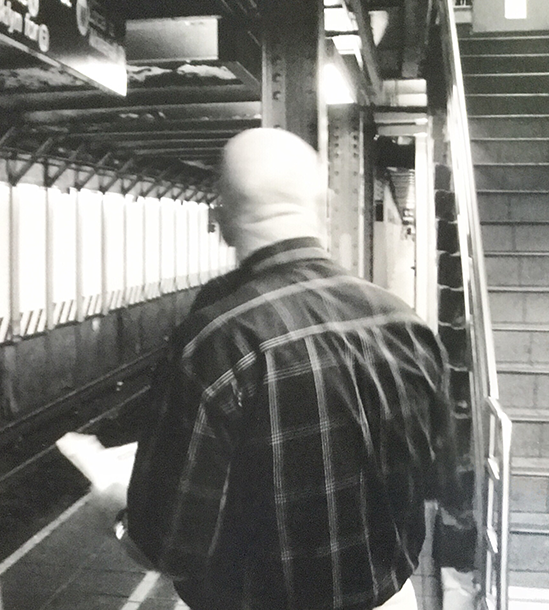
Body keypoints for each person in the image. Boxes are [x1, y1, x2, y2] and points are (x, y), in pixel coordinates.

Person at [124, 128, 462, 610]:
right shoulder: (407, 326)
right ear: (324, 206)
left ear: (222, 217)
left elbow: (170, 548)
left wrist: (116, 511)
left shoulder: (214, 344)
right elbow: (440, 483)